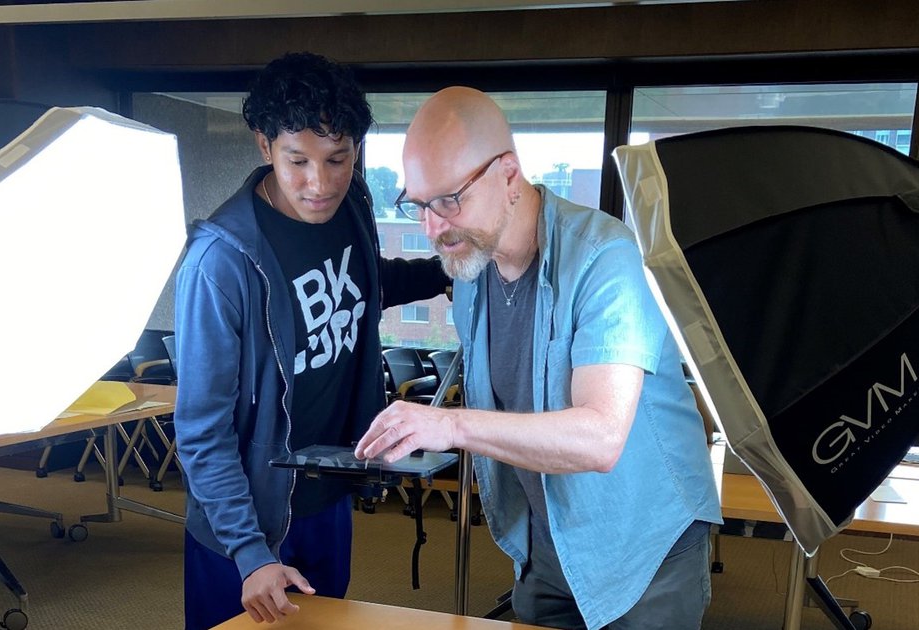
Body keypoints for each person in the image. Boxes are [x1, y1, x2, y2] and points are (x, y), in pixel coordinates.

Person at [355, 87, 722, 630]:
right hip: (549, 541)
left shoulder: (605, 257)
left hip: (644, 544)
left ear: (508, 173)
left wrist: (450, 424)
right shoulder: (472, 273)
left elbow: (600, 437)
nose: (433, 227)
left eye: (449, 201)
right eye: (417, 204)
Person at [173, 52, 448, 630]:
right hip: (244, 520)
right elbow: (202, 432)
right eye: (297, 161)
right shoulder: (220, 263)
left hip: (327, 489)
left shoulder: (352, 206)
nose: (319, 183)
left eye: (338, 159)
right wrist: (251, 554)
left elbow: (363, 286)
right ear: (264, 146)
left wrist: (446, 270)